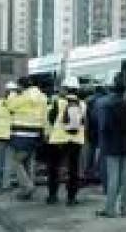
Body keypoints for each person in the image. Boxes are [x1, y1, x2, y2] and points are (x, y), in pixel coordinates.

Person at [96, 76, 126, 218]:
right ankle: (125, 208)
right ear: (125, 91)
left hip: (112, 146)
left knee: (113, 179)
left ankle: (111, 209)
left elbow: (105, 128)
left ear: (113, 91)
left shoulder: (109, 107)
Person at [6, 76, 48, 200]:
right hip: (35, 133)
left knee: (16, 161)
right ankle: (26, 191)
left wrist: (12, 94)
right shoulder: (42, 97)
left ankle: (28, 186)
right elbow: (45, 117)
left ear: (21, 86)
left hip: (22, 133)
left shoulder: (23, 97)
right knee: (29, 162)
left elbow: (10, 106)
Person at [46, 76, 86, 206]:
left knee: (54, 168)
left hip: (58, 140)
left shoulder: (57, 102)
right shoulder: (83, 104)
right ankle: (71, 198)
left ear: (65, 89)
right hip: (76, 140)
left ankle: (52, 195)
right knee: (73, 169)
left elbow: (51, 118)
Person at [84, 85, 106, 183]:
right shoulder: (103, 101)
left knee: (91, 150)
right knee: (101, 151)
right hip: (100, 129)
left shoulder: (88, 100)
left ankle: (88, 171)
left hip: (90, 129)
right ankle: (98, 171)